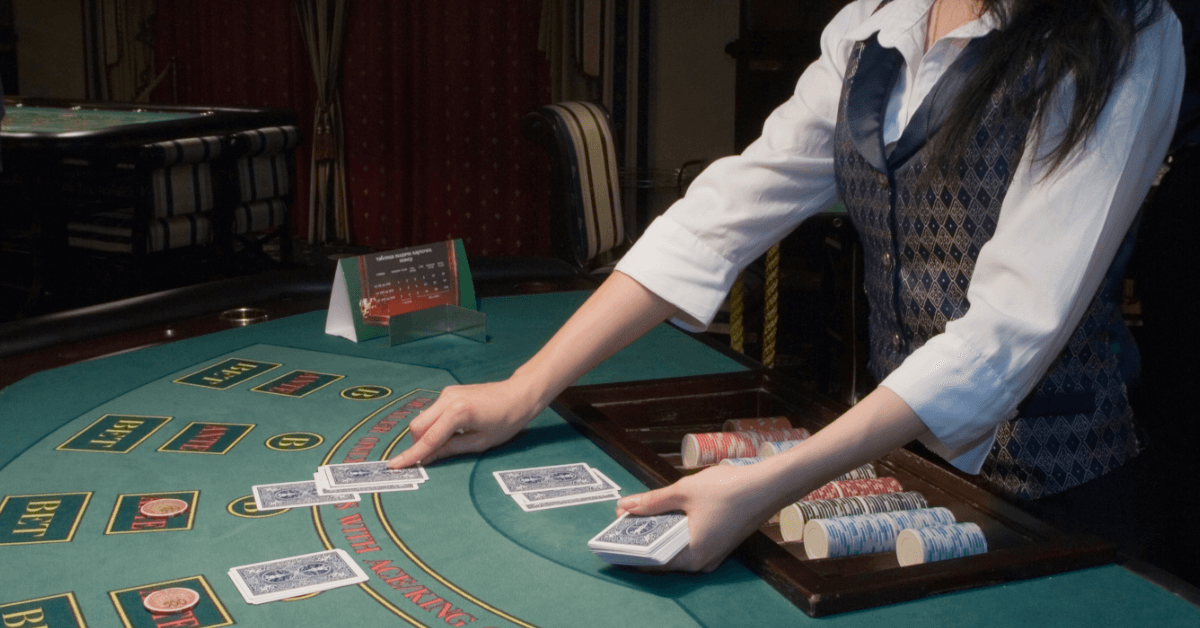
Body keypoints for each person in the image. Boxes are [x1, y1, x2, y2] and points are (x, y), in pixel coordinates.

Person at [390, 0, 1185, 573]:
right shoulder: (872, 28)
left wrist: (764, 487)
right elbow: (719, 216)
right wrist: (524, 392)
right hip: (902, 474)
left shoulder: (1130, 32)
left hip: (1066, 497)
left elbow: (1008, 330)